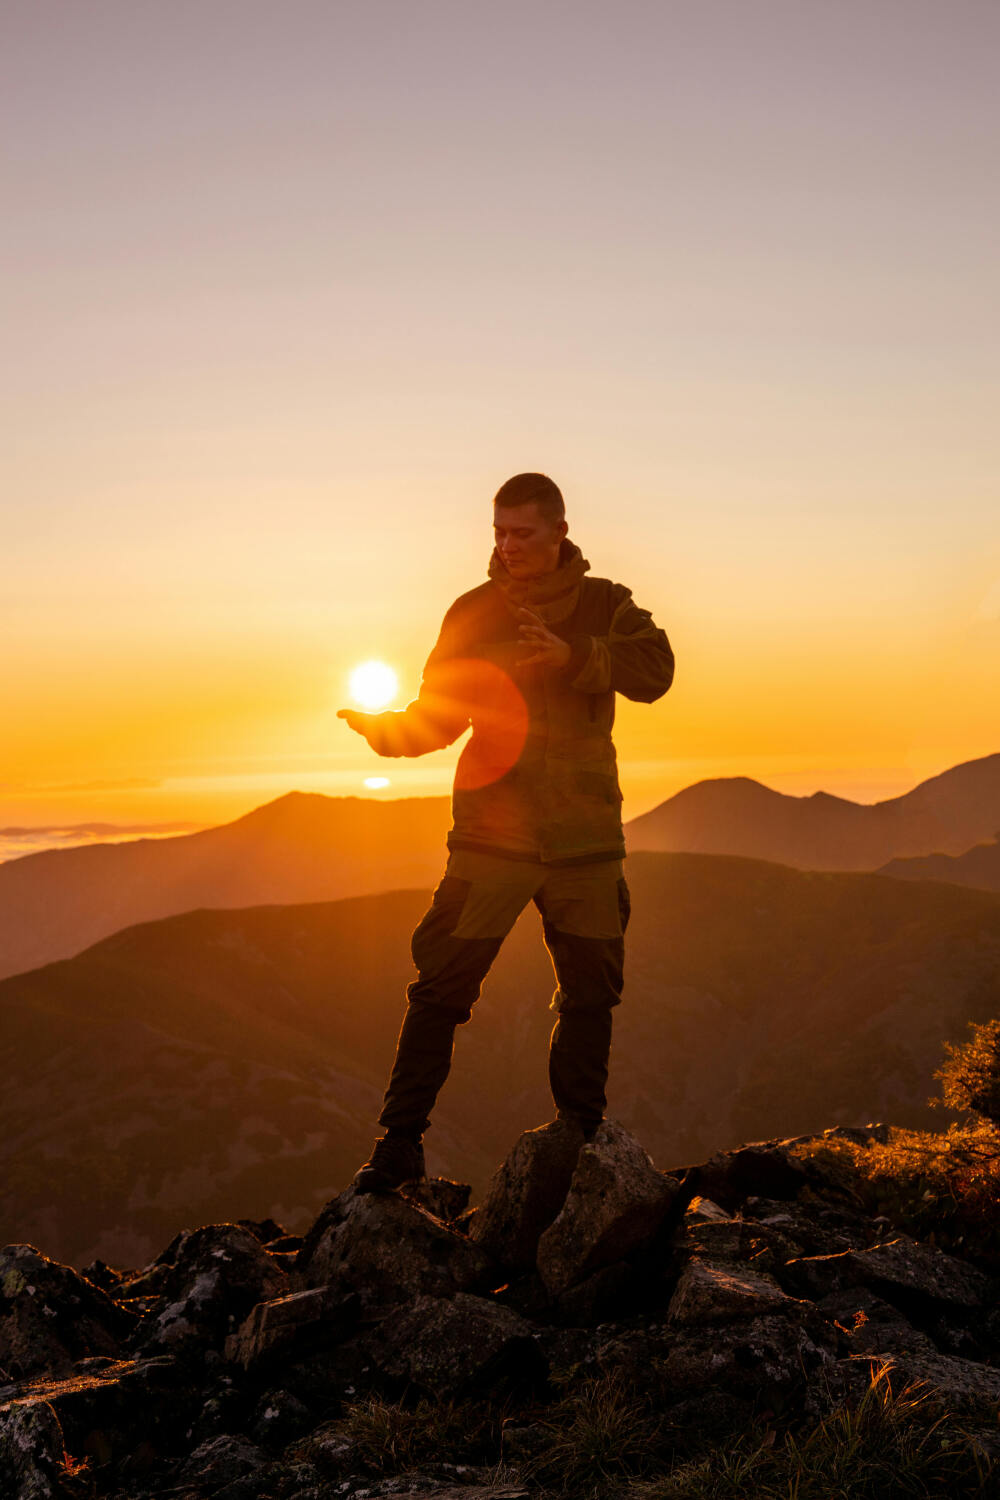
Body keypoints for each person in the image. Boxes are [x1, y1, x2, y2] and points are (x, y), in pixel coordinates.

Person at [338, 472, 674, 1192]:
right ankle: (398, 1146)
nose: (508, 545)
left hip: (585, 842)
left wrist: (575, 657)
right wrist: (384, 735)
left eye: (523, 532)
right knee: (440, 989)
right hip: (492, 837)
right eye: (498, 531)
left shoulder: (606, 604)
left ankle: (581, 1139)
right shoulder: (474, 613)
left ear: (558, 531)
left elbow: (657, 672)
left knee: (591, 994)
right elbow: (439, 715)